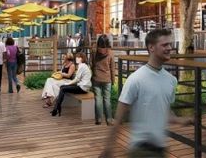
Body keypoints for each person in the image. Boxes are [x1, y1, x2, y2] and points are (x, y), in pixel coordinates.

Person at [99, 29, 193, 158]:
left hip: (161, 149)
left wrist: (179, 120)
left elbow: (164, 112)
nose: (170, 48)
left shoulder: (171, 80)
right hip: (142, 150)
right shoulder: (136, 79)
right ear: (151, 47)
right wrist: (108, 149)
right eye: (164, 45)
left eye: (170, 44)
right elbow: (119, 118)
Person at [51, 51, 92, 116]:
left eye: (78, 57)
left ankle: (57, 108)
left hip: (83, 88)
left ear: (82, 59)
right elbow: (78, 79)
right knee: (62, 87)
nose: (76, 59)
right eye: (76, 57)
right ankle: (57, 107)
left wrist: (68, 84)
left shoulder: (82, 66)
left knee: (63, 88)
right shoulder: (83, 65)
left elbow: (77, 79)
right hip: (82, 86)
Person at [92, 35, 115, 125]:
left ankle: (98, 119)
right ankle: (109, 120)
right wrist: (113, 80)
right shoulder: (111, 53)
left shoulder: (94, 51)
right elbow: (112, 68)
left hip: (96, 77)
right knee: (107, 99)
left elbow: (92, 64)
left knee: (97, 99)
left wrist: (93, 75)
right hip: (107, 79)